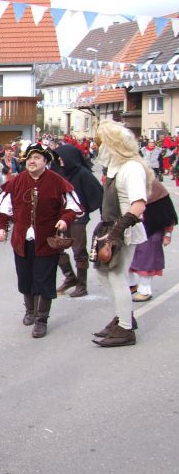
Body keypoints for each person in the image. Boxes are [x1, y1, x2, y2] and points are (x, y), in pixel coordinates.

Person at [0, 143, 83, 338]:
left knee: (44, 279)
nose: (31, 161)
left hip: (47, 241)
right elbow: (3, 210)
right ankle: (30, 311)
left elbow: (72, 208)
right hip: (22, 241)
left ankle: (41, 320)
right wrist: (0, 227)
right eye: (29, 158)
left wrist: (64, 220)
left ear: (45, 161)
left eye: (36, 158)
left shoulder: (57, 182)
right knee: (25, 277)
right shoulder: (17, 181)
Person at [91, 121, 152, 347]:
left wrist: (116, 232)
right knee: (102, 273)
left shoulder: (131, 168)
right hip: (111, 227)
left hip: (124, 229)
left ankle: (125, 328)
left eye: (102, 143)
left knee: (117, 276)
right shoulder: (117, 167)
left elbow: (138, 204)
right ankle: (123, 316)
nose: (98, 147)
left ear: (113, 144)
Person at [52, 144, 103, 297]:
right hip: (60, 217)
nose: (59, 160)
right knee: (56, 248)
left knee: (78, 250)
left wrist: (91, 211)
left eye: (62, 157)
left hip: (78, 217)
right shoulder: (57, 171)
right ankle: (70, 278)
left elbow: (98, 193)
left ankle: (82, 284)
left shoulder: (82, 173)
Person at [127, 180, 176, 302]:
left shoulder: (155, 187)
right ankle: (131, 284)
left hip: (151, 229)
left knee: (146, 260)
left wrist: (168, 233)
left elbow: (167, 213)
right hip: (129, 228)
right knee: (126, 259)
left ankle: (145, 290)